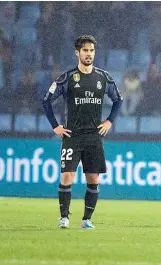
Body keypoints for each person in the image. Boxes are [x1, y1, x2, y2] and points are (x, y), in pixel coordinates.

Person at [42, 35, 123, 229]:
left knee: (93, 178)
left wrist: (110, 121)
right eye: (85, 50)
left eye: (92, 50)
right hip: (72, 135)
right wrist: (55, 126)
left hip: (94, 137)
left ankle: (87, 220)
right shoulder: (68, 78)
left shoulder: (103, 77)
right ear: (77, 52)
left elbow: (118, 100)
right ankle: (64, 218)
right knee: (67, 176)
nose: (89, 54)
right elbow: (46, 101)